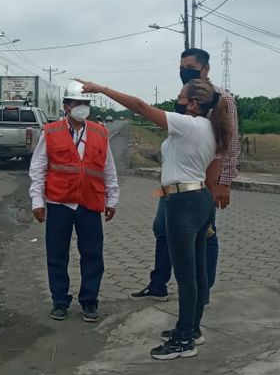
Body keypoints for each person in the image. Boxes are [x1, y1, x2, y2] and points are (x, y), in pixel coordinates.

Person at [79, 77, 233, 360]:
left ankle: (183, 340)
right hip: (198, 198)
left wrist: (101, 89)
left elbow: (140, 106)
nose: (178, 99)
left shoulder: (188, 124)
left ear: (193, 103)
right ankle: (192, 328)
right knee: (197, 272)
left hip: (182, 202)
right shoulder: (211, 129)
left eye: (182, 96)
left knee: (186, 276)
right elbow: (212, 171)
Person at [131, 48, 240, 300]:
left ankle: (203, 289)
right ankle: (158, 283)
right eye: (181, 68)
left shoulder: (221, 98)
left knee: (206, 232)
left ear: (206, 69)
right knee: (162, 228)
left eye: (190, 67)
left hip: (203, 182)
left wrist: (224, 183)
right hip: (174, 181)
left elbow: (230, 143)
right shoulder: (186, 96)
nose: (184, 72)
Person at [29, 79, 119, 323]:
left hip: (90, 203)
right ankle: (60, 301)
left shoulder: (100, 132)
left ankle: (89, 301)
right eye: (78, 103)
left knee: (93, 256)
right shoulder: (51, 132)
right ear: (66, 106)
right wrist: (37, 201)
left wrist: (112, 198)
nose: (82, 107)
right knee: (57, 255)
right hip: (60, 203)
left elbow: (108, 168)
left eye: (85, 103)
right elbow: (38, 168)